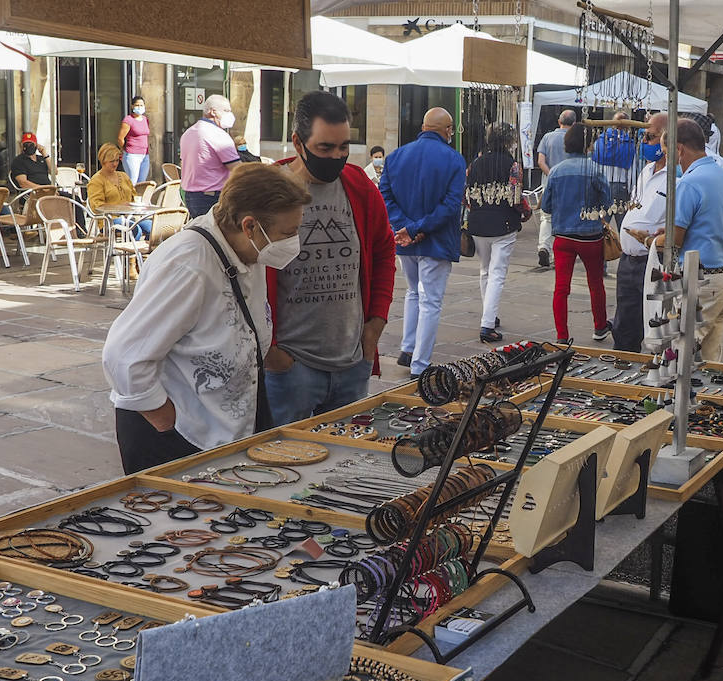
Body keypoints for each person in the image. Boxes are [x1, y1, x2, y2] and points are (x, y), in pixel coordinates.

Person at [102, 163, 310, 474]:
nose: (293, 242)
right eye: (288, 233)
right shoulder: (188, 265)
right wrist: (166, 420)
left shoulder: (249, 251)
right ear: (250, 225)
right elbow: (123, 356)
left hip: (224, 430)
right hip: (180, 438)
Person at [264, 91, 397, 424]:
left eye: (344, 147)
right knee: (283, 464)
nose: (336, 156)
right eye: (325, 148)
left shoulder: (359, 185)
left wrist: (375, 324)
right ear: (298, 142)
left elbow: (383, 249)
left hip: (352, 361)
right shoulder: (267, 191)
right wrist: (271, 353)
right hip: (291, 368)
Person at [379, 107, 466, 375]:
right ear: (448, 129)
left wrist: (404, 226)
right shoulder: (454, 160)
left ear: (423, 126)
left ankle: (408, 349)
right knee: (430, 300)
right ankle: (420, 363)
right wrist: (417, 227)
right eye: (452, 128)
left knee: (414, 293)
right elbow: (451, 206)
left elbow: (385, 195)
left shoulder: (396, 156)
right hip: (435, 240)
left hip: (406, 240)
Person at [653, 118, 723, 360]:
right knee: (710, 356)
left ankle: (681, 398)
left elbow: (675, 241)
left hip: (704, 281)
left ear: (679, 149)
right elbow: (707, 225)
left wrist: (651, 241)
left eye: (667, 153)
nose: (668, 159)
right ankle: (707, 398)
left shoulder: (690, 182)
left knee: (680, 354)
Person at [539, 122, 612, 342]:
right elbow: (607, 203)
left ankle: (562, 335)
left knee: (561, 288)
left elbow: (546, 206)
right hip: (590, 237)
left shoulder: (556, 171)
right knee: (596, 283)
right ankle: (599, 326)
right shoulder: (595, 169)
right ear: (587, 145)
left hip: (563, 237)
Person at [465, 122, 524, 344]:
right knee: (497, 273)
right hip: (504, 224)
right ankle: (487, 324)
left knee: (485, 271)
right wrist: (525, 213)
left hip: (478, 223)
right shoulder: (512, 165)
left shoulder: (476, 163)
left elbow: (467, 194)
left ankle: (488, 315)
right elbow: (517, 197)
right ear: (509, 141)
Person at [616, 112, 669, 352]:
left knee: (658, 330)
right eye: (644, 137)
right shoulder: (646, 170)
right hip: (628, 260)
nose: (645, 142)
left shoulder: (676, 177)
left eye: (651, 137)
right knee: (625, 325)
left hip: (653, 261)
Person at [179, 94, 241, 218]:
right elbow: (237, 169)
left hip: (190, 194)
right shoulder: (217, 134)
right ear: (213, 112)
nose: (230, 115)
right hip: (212, 196)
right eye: (226, 111)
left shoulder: (189, 132)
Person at [535, 109, 575, 268]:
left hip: (549, 183)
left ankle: (544, 246)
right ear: (574, 123)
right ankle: (562, 251)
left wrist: (551, 175)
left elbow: (540, 161)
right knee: (567, 217)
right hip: (569, 184)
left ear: (559, 121)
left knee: (547, 217)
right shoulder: (573, 139)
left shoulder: (547, 137)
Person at [88, 143, 152, 240]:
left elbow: (133, 197)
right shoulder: (97, 180)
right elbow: (96, 206)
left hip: (129, 216)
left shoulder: (123, 176)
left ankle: (149, 253)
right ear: (103, 161)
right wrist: (119, 207)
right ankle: (130, 254)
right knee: (135, 230)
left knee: (152, 227)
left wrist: (136, 204)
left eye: (117, 160)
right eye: (111, 161)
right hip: (109, 220)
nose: (115, 164)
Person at [593, 111, 637, 228]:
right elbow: (632, 171)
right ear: (628, 126)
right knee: (622, 226)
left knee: (601, 225)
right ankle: (622, 246)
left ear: (612, 124)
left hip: (602, 185)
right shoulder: (630, 144)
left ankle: (601, 245)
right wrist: (631, 192)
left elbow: (595, 166)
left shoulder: (600, 142)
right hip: (620, 187)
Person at [116, 96, 151, 184]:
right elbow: (120, 138)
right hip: (132, 155)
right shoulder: (128, 120)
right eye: (137, 105)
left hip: (144, 155)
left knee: (141, 183)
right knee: (133, 181)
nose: (139, 107)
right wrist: (124, 149)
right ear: (132, 106)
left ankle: (138, 198)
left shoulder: (145, 120)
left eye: (141, 105)